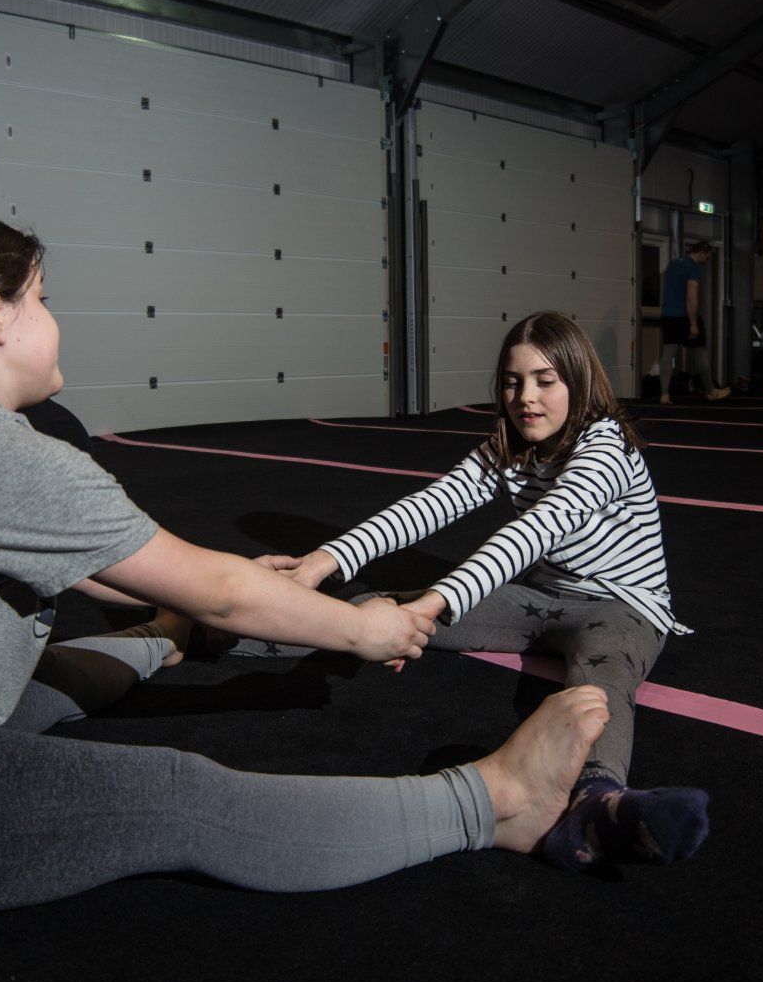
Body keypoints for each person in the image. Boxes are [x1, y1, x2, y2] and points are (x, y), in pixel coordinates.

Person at [0, 210, 608, 939]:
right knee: (179, 799)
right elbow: (224, 590)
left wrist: (195, 606)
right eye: (42, 297)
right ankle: (491, 806)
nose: (53, 318)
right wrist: (373, 627)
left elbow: (135, 570)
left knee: (36, 698)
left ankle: (161, 646)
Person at [255, 311, 709, 871]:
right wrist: (321, 564)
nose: (527, 398)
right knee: (380, 609)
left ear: (580, 380)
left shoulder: (605, 448)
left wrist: (435, 602)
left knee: (601, 675)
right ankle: (241, 629)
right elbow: (431, 505)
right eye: (514, 382)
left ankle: (599, 803)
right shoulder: (508, 445)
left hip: (620, 605)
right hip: (538, 598)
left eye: (546, 380)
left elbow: (534, 530)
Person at [659, 239, 730, 402]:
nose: (706, 262)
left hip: (668, 315)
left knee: (667, 354)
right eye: (707, 258)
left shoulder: (673, 265)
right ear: (702, 253)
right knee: (700, 353)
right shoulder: (693, 268)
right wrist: (693, 323)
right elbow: (691, 297)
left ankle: (664, 394)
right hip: (683, 316)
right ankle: (711, 391)